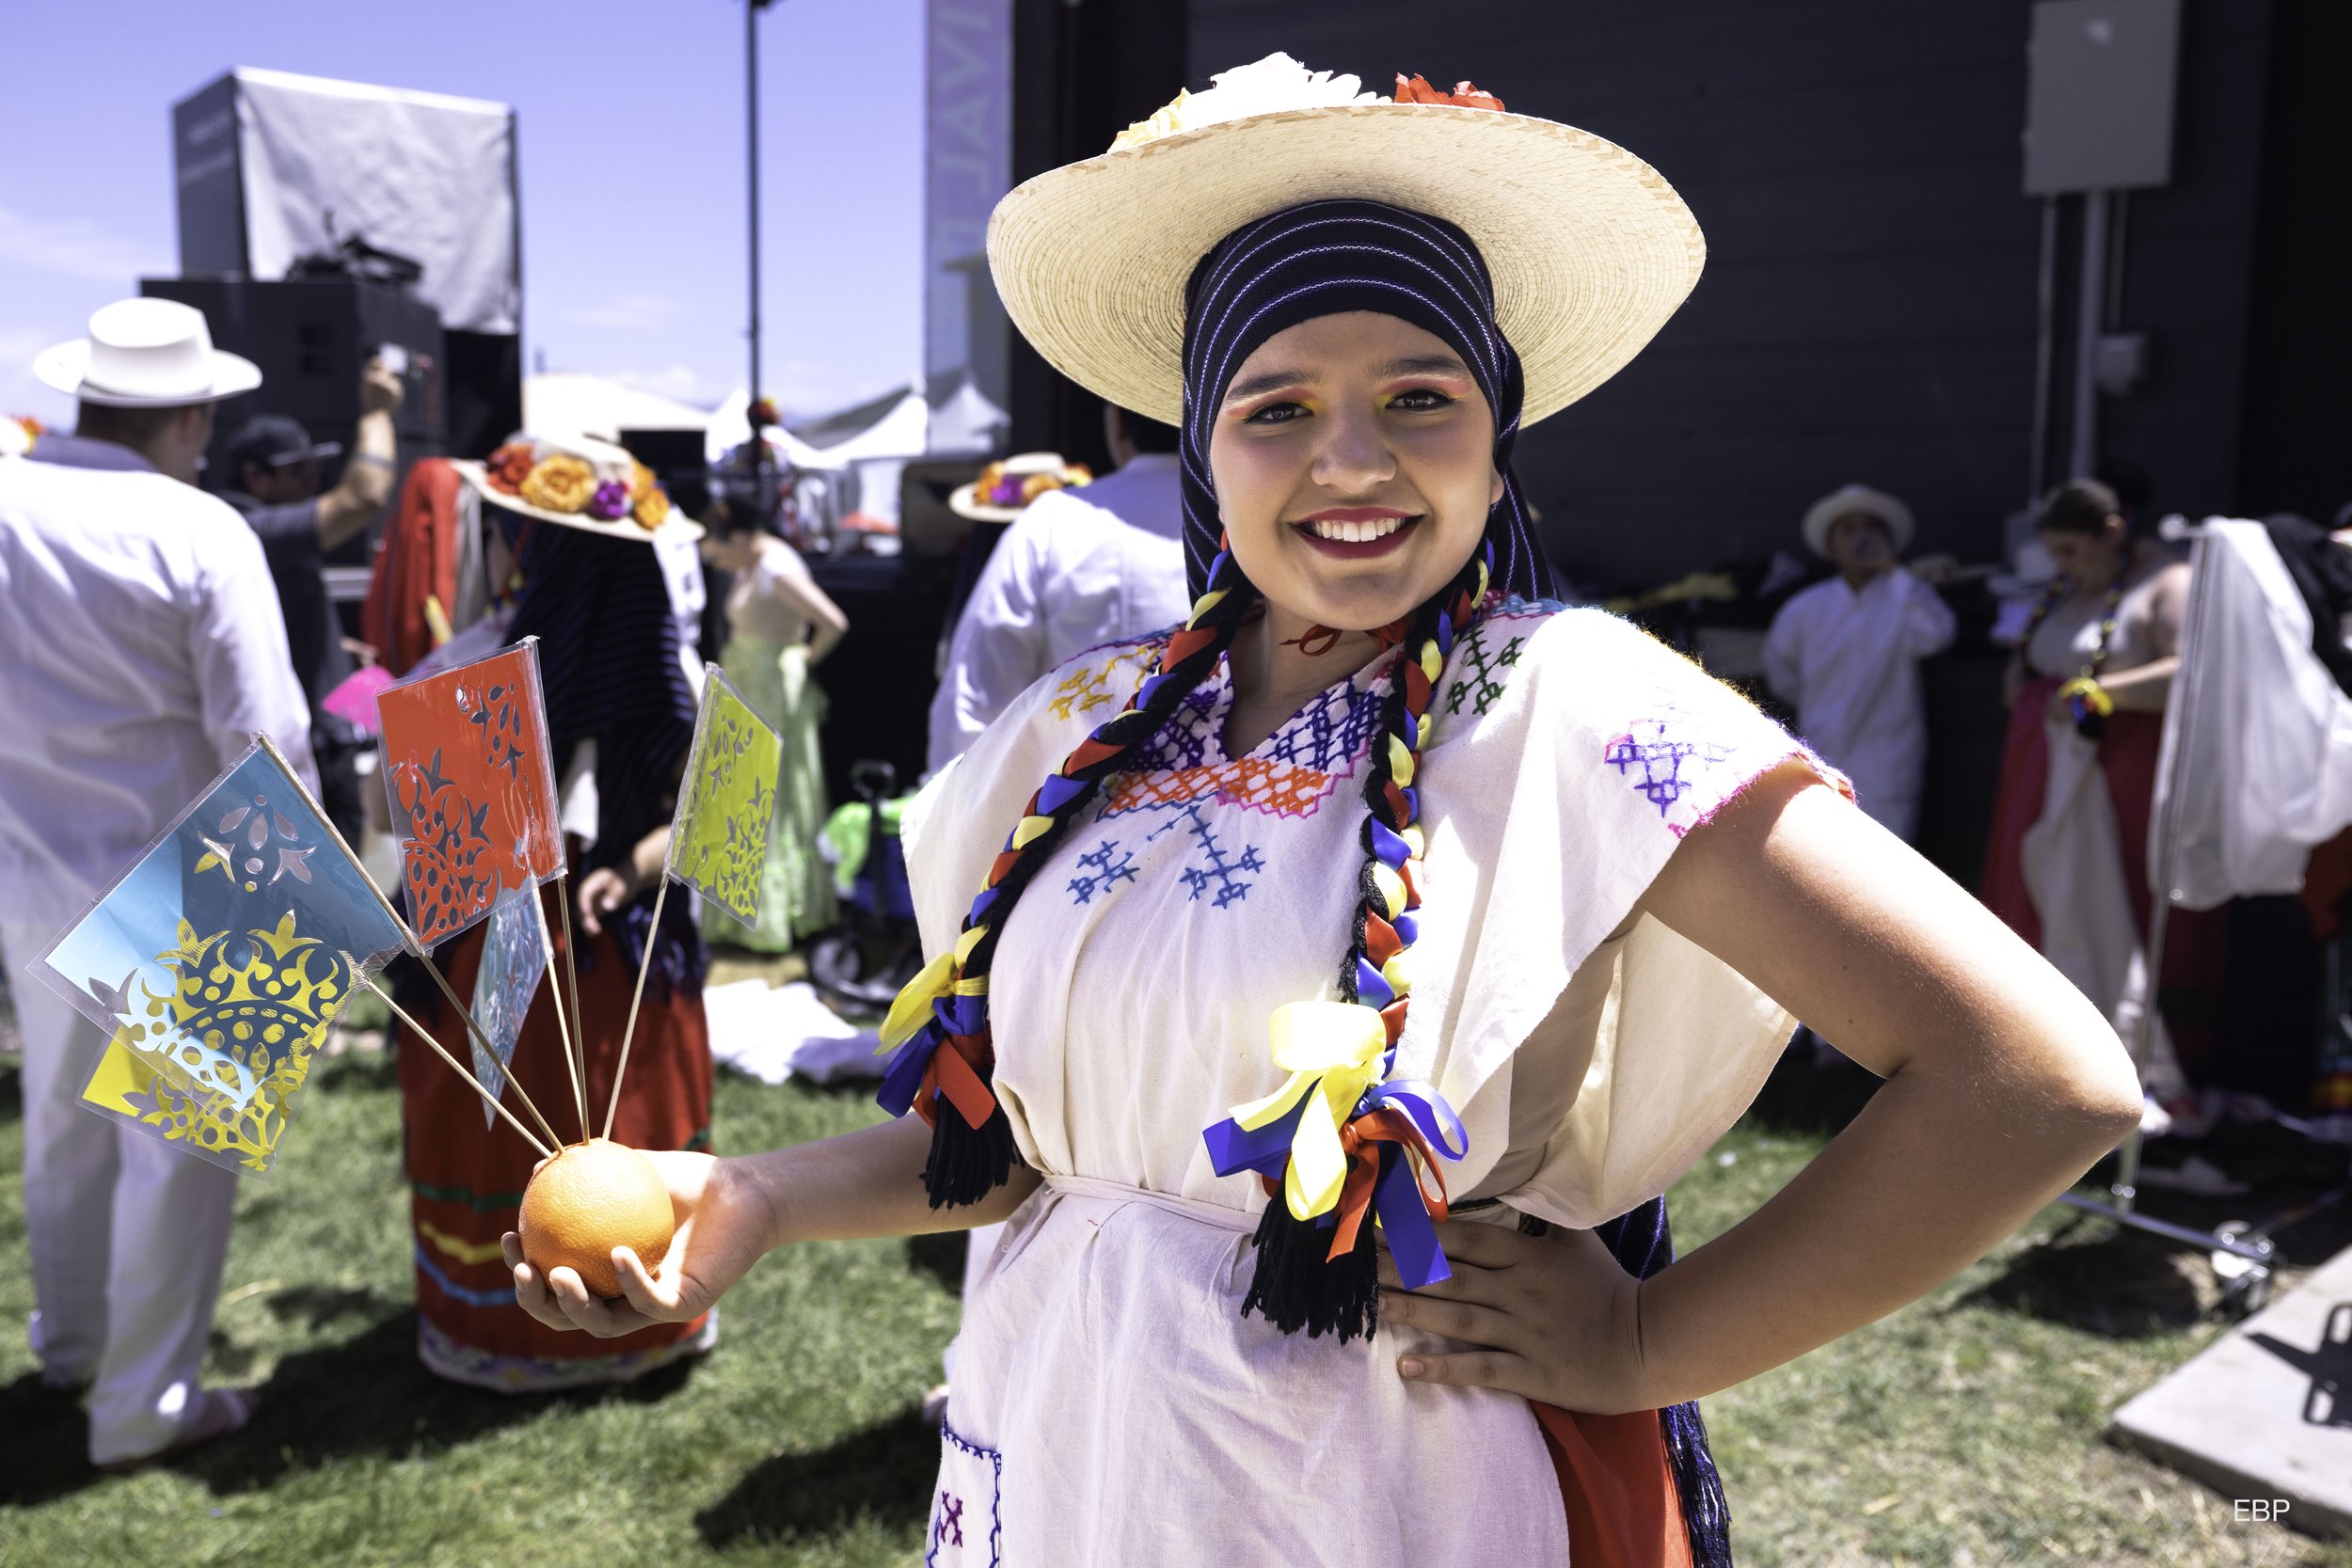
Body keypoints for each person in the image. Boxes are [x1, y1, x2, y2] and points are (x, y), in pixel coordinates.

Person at [506, 57, 2137, 1564]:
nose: (1350, 459)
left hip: (1373, 1491)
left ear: (1500, 446)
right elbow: (1026, 1153)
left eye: (1419, 397)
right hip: (1065, 1448)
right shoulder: (1089, 720)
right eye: (1277, 405)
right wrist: (763, 1198)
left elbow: (2031, 1078)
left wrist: (1648, 1338)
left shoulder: (1580, 705)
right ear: (1206, 455)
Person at [0, 297, 313, 1465]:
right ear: (190, 413)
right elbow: (266, 739)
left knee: (62, 1131)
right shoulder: (198, 527)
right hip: (191, 882)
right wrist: (314, 900)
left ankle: (76, 1345)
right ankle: (141, 1402)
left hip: (30, 864)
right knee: (172, 1157)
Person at [389, 436, 719, 1389]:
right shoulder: (672, 678)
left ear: (520, 549)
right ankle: (643, 1315)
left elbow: (396, 822)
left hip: (500, 963)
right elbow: (695, 827)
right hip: (621, 955)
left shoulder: (464, 671)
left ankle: (508, 1335)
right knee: (627, 1132)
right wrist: (625, 868)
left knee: (497, 1132)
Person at [1980, 478, 2221, 1128]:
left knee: (2107, 911)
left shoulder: (2164, 581)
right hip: (2044, 773)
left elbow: (2191, 670)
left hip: (2118, 779)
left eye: (2072, 550)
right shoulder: (2071, 587)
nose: (2063, 564)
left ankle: (2144, 1074)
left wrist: (2097, 694)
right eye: (2054, 551)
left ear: (2113, 532)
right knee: (2041, 904)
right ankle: (2046, 1065)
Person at [926, 413, 1186, 772]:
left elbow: (977, 698)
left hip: (1068, 800)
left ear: (1117, 425)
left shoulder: (1052, 523)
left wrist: (951, 807)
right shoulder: (1241, 517)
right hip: (1231, 805)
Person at [218, 361, 405, 839]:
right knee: (334, 897)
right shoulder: (249, 530)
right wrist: (377, 412)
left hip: (329, 731)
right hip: (307, 751)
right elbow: (364, 496)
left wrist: (333, 645)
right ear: (254, 477)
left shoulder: (261, 534)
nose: (312, 482)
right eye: (300, 471)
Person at [1763, 483, 1956, 842]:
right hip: (1822, 756)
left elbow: (1937, 635)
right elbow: (1782, 673)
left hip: (1889, 765)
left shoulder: (1906, 597)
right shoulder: (1805, 608)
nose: (1861, 537)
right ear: (1830, 546)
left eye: (1871, 528)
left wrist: (1893, 571)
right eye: (1848, 529)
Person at [698, 500, 850, 951]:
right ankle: (743, 913)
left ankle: (776, 913)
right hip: (752, 684)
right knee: (747, 791)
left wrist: (801, 658)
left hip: (770, 691)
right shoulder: (759, 562)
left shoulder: (777, 569)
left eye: (720, 555)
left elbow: (833, 622)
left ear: (740, 539)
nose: (720, 564)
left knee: (769, 796)